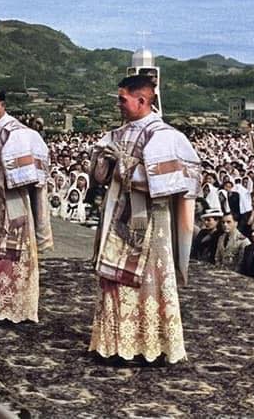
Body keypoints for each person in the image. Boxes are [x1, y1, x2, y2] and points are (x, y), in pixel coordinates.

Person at [88, 75, 200, 365]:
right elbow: (99, 176)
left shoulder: (163, 135)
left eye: (123, 99)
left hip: (150, 221)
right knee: (114, 279)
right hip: (117, 214)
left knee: (146, 284)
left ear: (142, 100)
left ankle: (147, 346)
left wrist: (123, 165)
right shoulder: (117, 132)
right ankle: (115, 344)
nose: (119, 105)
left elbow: (161, 184)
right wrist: (103, 159)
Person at [0, 86, 53, 322]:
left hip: (12, 199)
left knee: (14, 252)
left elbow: (28, 173)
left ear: (2, 104)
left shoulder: (18, 133)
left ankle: (15, 306)